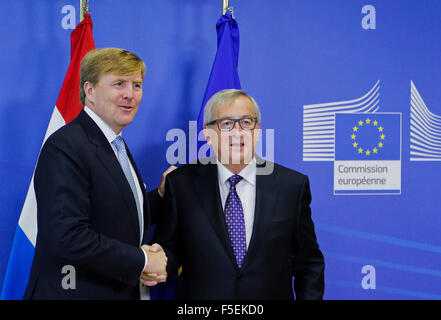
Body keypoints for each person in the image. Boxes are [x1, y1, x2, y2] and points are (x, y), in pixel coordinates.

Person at [24, 48, 169, 300]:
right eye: (119, 84)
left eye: (137, 85)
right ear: (89, 91)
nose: (130, 95)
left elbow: (113, 212)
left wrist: (158, 196)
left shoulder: (114, 143)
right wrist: (143, 260)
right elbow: (67, 235)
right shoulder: (67, 145)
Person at [154, 89, 325, 299]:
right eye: (226, 124)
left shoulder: (292, 186)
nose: (238, 132)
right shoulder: (181, 184)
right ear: (208, 135)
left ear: (258, 130)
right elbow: (169, 251)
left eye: (246, 122)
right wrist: (153, 262)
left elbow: (309, 264)